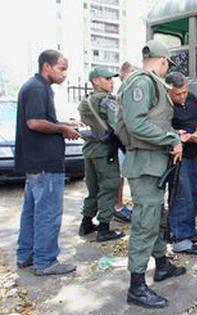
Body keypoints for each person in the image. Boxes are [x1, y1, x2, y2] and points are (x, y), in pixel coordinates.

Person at [117, 40, 185, 309]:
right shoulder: (143, 82)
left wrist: (170, 138)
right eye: (168, 63)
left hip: (152, 164)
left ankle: (162, 266)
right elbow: (135, 124)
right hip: (145, 166)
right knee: (145, 224)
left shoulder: (146, 82)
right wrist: (171, 138)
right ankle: (136, 287)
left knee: (156, 218)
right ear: (164, 61)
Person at [15, 50, 81, 276]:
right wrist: (62, 129)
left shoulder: (36, 86)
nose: (65, 74)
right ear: (47, 66)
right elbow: (34, 122)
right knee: (48, 214)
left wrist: (64, 123)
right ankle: (45, 261)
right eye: (61, 69)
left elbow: (41, 119)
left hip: (36, 163)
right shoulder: (36, 88)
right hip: (45, 163)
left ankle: (26, 255)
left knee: (32, 212)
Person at [164, 71, 197, 255]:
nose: (182, 96)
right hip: (178, 156)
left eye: (184, 92)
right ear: (169, 91)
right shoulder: (165, 106)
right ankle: (179, 239)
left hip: (194, 154)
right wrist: (181, 136)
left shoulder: (191, 98)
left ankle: (187, 232)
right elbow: (162, 130)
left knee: (193, 195)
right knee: (181, 196)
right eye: (178, 94)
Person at [77, 67, 125, 242]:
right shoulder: (105, 101)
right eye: (107, 78)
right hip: (105, 151)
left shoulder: (86, 101)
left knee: (92, 188)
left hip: (90, 149)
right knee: (109, 187)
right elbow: (117, 125)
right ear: (96, 81)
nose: (111, 82)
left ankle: (86, 222)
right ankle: (104, 228)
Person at [113, 61, 137, 223]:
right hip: (125, 144)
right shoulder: (126, 89)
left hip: (124, 143)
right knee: (121, 177)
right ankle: (118, 207)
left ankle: (119, 206)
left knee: (123, 176)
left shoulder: (127, 87)